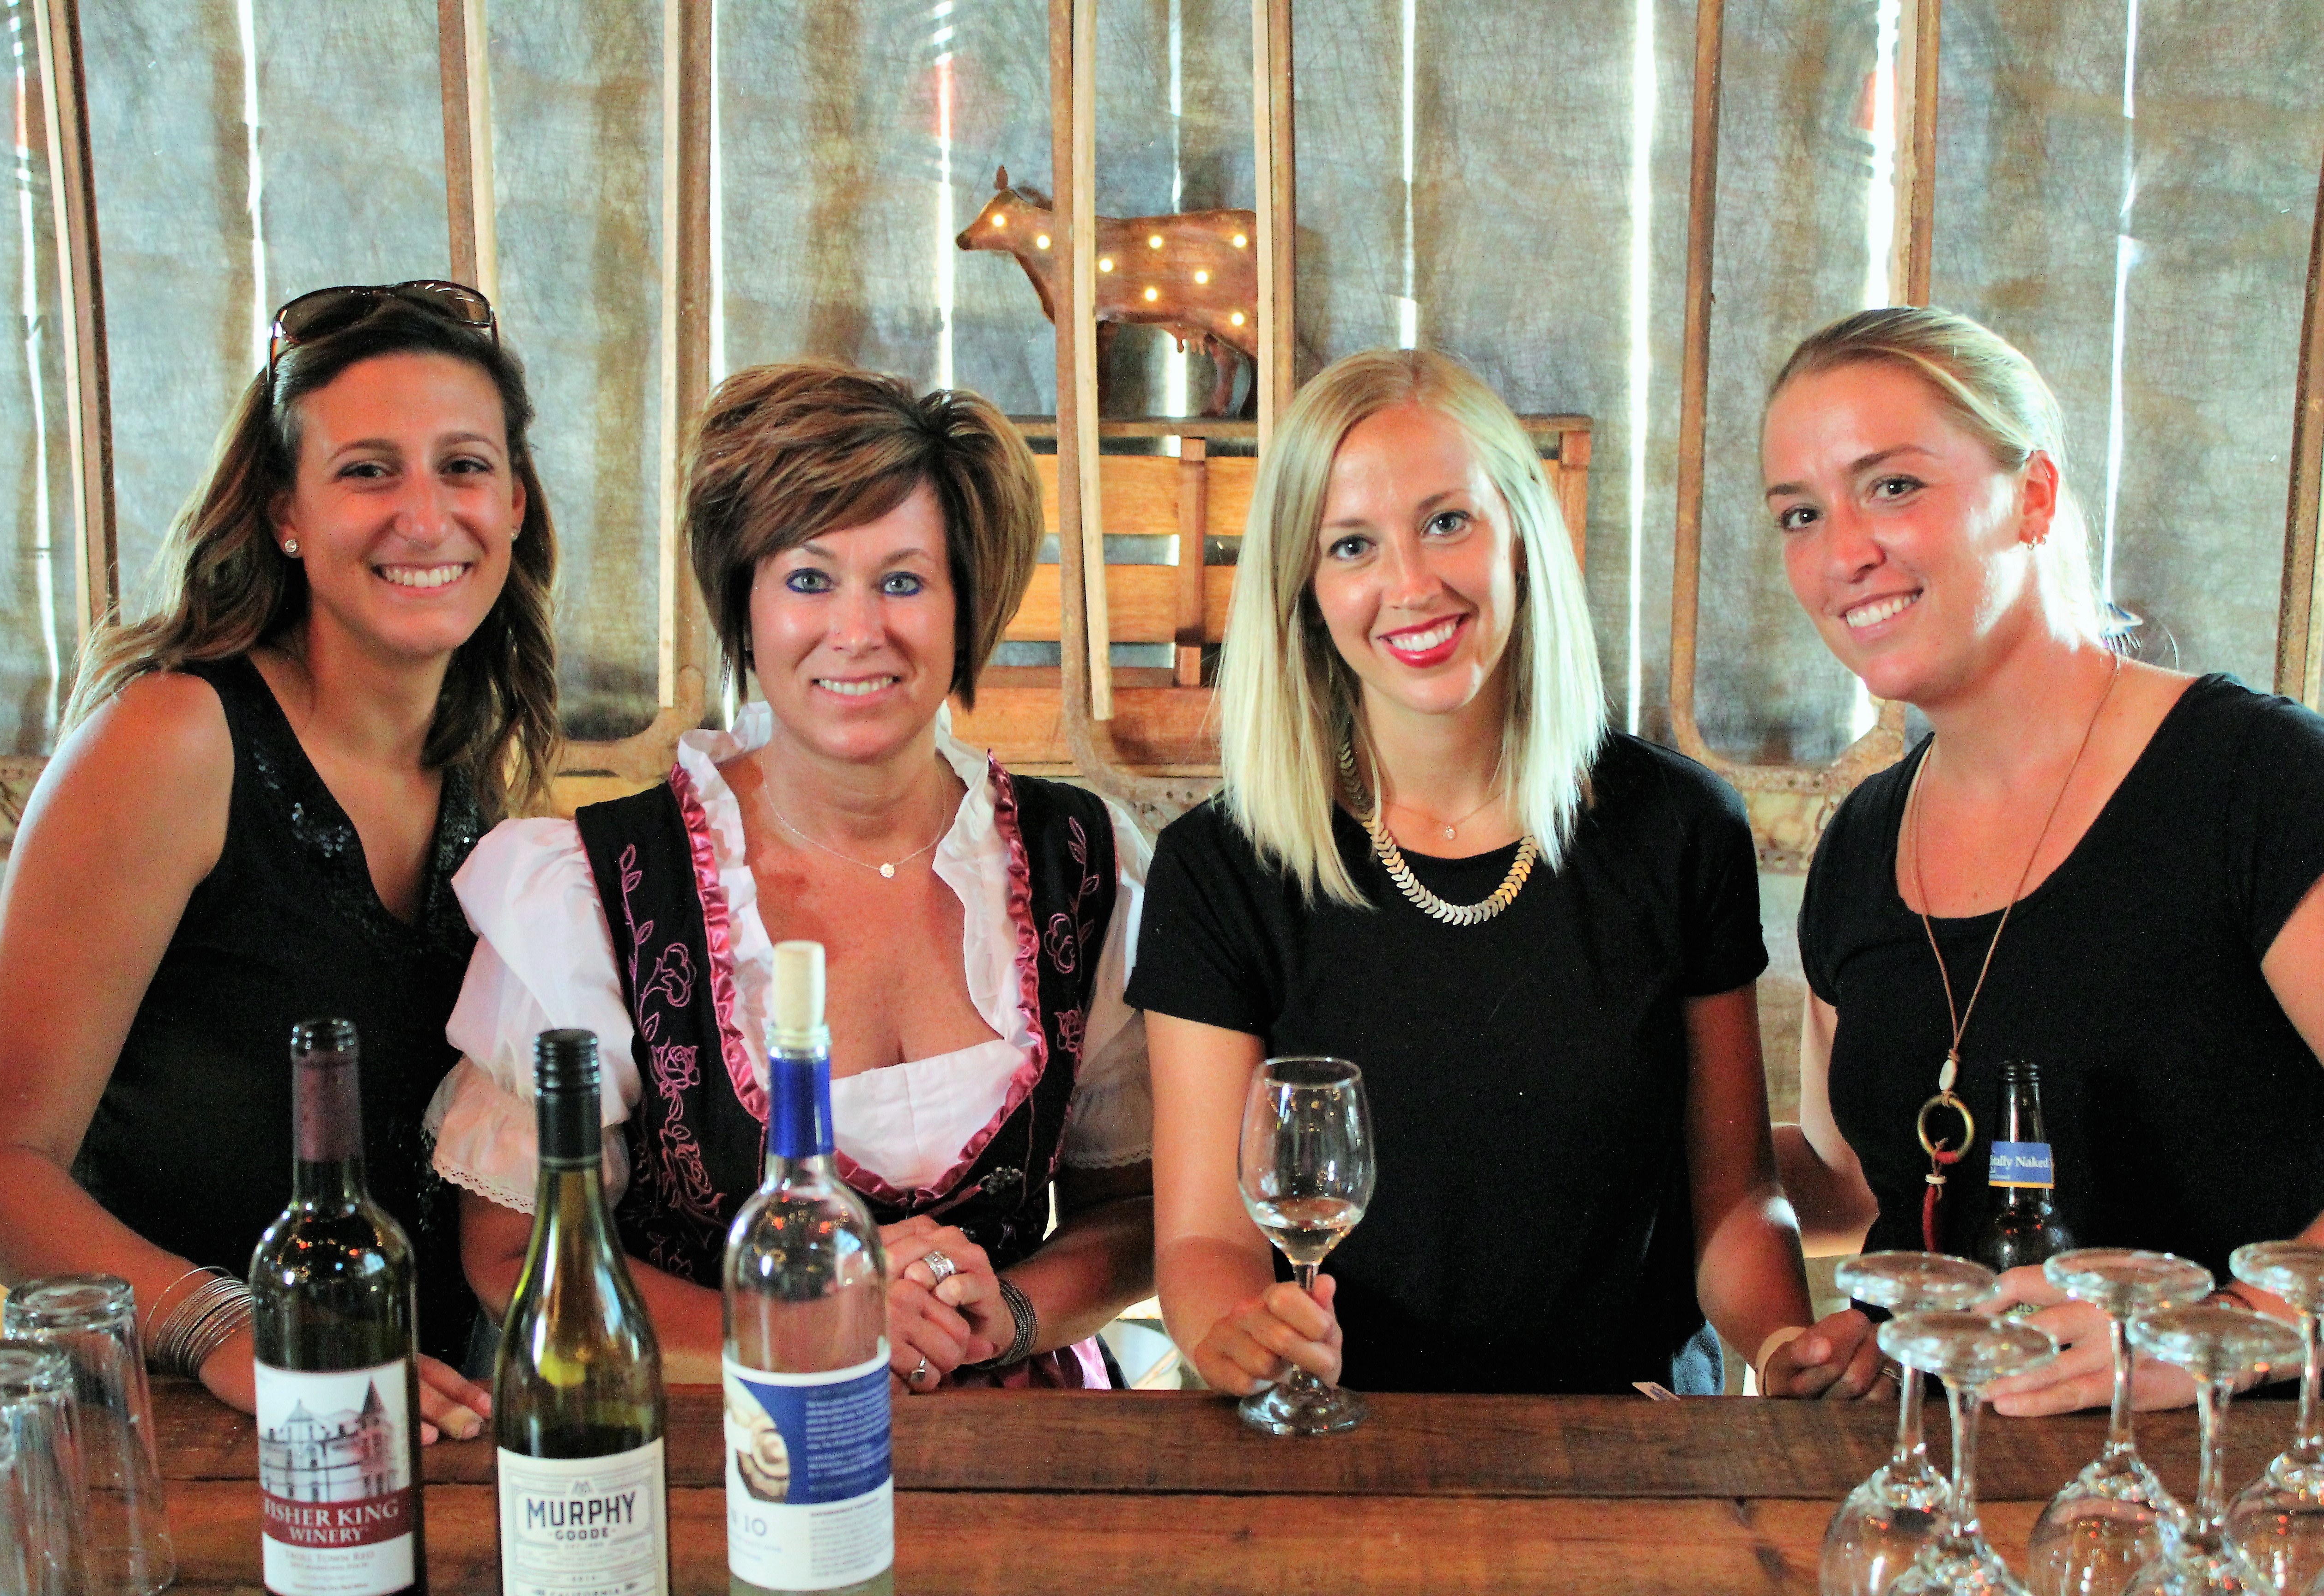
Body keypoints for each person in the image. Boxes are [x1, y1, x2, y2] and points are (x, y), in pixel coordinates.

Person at [1129, 346, 1875, 1399]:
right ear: (1304, 586)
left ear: (1522, 532)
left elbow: (1735, 1201)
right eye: (1352, 545)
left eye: (1448, 522)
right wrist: (1237, 1335)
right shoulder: (1221, 868)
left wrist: (1780, 1342)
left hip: (1629, 1437)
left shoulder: (1679, 829)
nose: (1411, 584)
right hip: (1340, 1440)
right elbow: (1205, 1239)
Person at [431, 360, 1154, 1390]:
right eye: (809, 580)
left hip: (1004, 1442)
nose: (857, 633)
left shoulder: (1080, 862)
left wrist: (1017, 1312)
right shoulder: (597, 892)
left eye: (903, 581)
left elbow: (1133, 1208)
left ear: (969, 606)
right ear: (746, 605)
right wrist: (808, 1328)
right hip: (721, 1440)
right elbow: (516, 1260)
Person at [0, 284, 560, 1438]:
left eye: (463, 467)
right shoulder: (173, 739)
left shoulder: (482, 787)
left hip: (404, 1437)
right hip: (171, 1441)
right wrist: (232, 1332)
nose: (426, 517)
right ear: (285, 513)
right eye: (368, 471)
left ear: (513, 504)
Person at [1762, 305, 2324, 1413]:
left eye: (1893, 486)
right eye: (1800, 514)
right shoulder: (1861, 843)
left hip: (2232, 1488)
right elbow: (1851, 1181)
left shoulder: (2256, 779)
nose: (1843, 553)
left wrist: (2222, 1336)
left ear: (2033, 495)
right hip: (1953, 1484)